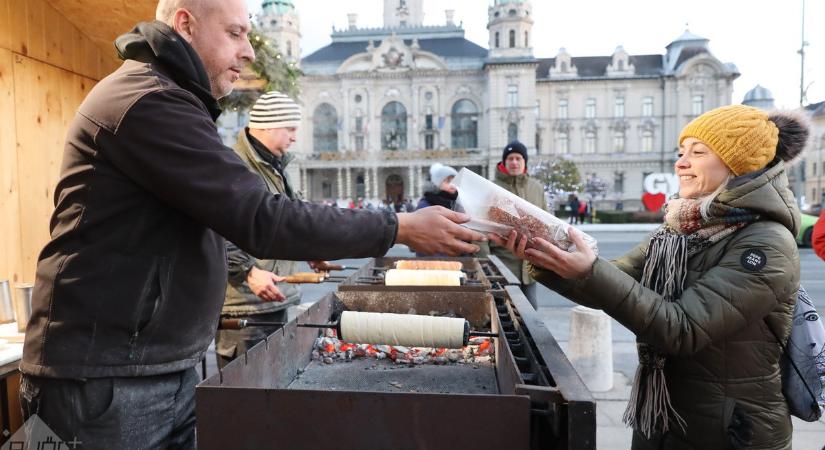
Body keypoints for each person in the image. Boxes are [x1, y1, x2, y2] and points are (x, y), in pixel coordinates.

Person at [18, 1, 485, 448]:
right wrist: (397, 226)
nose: (249, 50)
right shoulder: (147, 101)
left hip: (148, 369)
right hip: (101, 380)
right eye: (235, 33)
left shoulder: (172, 99)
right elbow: (259, 217)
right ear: (186, 24)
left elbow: (216, 223)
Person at [495, 105, 808, 449]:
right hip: (660, 417)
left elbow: (682, 329)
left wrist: (590, 271)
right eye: (681, 152)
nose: (681, 163)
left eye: (698, 152)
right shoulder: (678, 227)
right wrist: (545, 253)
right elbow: (612, 279)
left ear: (739, 165)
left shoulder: (767, 242)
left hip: (729, 432)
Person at [216, 91, 316, 369]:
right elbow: (214, 228)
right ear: (270, 125)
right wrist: (248, 271)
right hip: (246, 306)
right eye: (291, 129)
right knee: (242, 399)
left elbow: (287, 220)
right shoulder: (232, 165)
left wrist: (311, 250)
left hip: (274, 298)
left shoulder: (276, 165)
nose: (295, 137)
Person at [487, 141, 547, 308]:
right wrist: (487, 262)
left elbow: (546, 221)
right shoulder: (492, 189)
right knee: (505, 310)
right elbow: (483, 228)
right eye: (510, 158)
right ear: (504, 162)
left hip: (530, 266)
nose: (514, 162)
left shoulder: (536, 188)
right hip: (503, 263)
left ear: (524, 162)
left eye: (518, 158)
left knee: (531, 310)